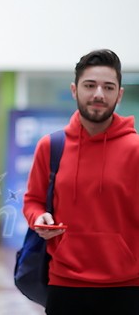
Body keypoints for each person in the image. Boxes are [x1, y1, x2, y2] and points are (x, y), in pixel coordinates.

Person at [23, 49, 139, 314]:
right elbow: (33, 200)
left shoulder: (135, 150)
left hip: (127, 287)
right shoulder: (51, 146)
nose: (99, 93)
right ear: (75, 90)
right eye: (90, 85)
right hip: (64, 284)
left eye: (108, 87)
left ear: (119, 95)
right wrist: (38, 217)